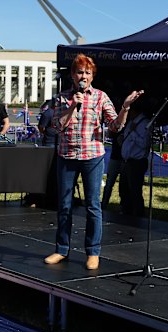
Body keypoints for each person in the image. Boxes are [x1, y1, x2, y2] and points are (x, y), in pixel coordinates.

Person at [43, 53, 144, 270]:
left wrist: (125, 108)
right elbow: (58, 127)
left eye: (88, 73)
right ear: (72, 75)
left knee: (93, 206)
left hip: (92, 156)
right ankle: (62, 249)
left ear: (92, 76)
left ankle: (93, 251)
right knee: (64, 205)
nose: (84, 76)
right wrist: (72, 106)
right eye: (80, 72)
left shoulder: (100, 97)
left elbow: (115, 127)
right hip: (67, 156)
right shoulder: (61, 98)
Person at [119, 99, 151, 217]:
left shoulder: (145, 123)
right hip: (126, 161)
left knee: (135, 190)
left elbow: (144, 144)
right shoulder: (131, 122)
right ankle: (125, 211)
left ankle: (137, 215)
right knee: (124, 189)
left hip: (136, 162)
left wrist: (133, 133)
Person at [101, 131, 124, 210]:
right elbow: (109, 135)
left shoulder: (130, 124)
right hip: (115, 157)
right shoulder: (117, 125)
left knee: (123, 184)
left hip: (125, 158)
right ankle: (104, 203)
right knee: (109, 182)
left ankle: (123, 206)